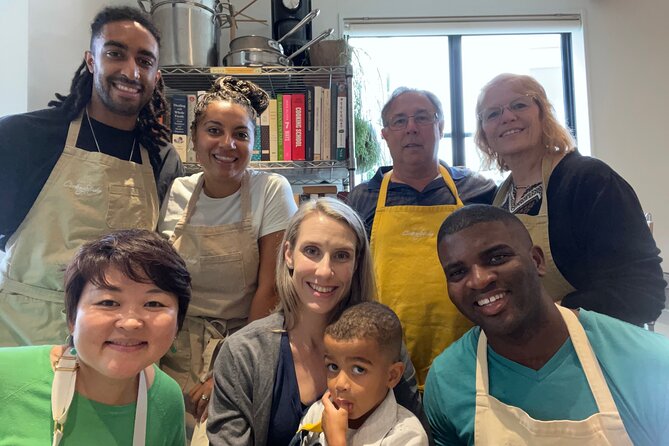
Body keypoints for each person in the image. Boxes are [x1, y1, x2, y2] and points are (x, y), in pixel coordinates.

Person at [0, 6, 184, 347]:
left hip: (120, 340)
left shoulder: (161, 159)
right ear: (91, 60)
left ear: (156, 75)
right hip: (27, 334)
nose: (131, 71)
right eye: (116, 53)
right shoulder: (25, 137)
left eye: (145, 61)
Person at [424, 204, 669, 445]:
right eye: (457, 273)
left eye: (497, 258)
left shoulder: (649, 362)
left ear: (537, 261)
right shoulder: (448, 380)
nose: (478, 280)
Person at [207, 197, 426, 446]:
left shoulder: (384, 344)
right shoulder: (243, 354)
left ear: (356, 264)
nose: (324, 271)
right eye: (312, 251)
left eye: (341, 255)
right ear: (289, 255)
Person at [158, 77, 297, 437]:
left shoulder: (270, 190)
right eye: (214, 131)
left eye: (241, 134)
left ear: (254, 143)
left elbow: (271, 289)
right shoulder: (177, 191)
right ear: (194, 138)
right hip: (173, 350)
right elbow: (158, 284)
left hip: (245, 345)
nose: (227, 144)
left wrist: (224, 372)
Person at [473, 73, 665, 325]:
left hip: (596, 350)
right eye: (493, 113)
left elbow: (643, 292)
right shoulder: (497, 199)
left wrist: (550, 317)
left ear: (543, 115)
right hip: (528, 349)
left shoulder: (590, 180)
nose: (507, 117)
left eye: (519, 105)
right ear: (484, 132)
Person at [347, 87, 496, 387]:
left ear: (441, 127)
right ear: (385, 134)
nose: (411, 128)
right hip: (385, 364)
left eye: (422, 118)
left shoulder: (479, 191)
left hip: (469, 360)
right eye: (399, 121)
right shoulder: (363, 198)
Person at [0, 229, 191, 445]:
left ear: (177, 324)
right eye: (108, 302)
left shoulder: (167, 399)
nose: (130, 323)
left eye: (154, 304)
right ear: (72, 317)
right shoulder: (6, 375)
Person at [292, 302, 429, 446]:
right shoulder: (318, 412)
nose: (340, 384)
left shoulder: (408, 437)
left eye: (359, 369)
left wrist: (336, 441)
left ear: (392, 376)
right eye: (333, 367)